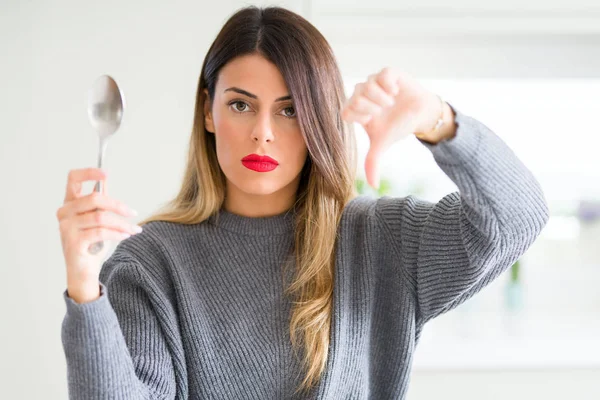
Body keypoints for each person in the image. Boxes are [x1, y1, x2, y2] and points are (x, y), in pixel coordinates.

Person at [56, 5, 549, 400]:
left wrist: (439, 121)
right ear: (208, 111)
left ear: (319, 118)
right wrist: (84, 288)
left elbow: (518, 216)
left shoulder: (380, 240)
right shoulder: (151, 263)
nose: (263, 133)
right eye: (240, 104)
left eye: (290, 110)